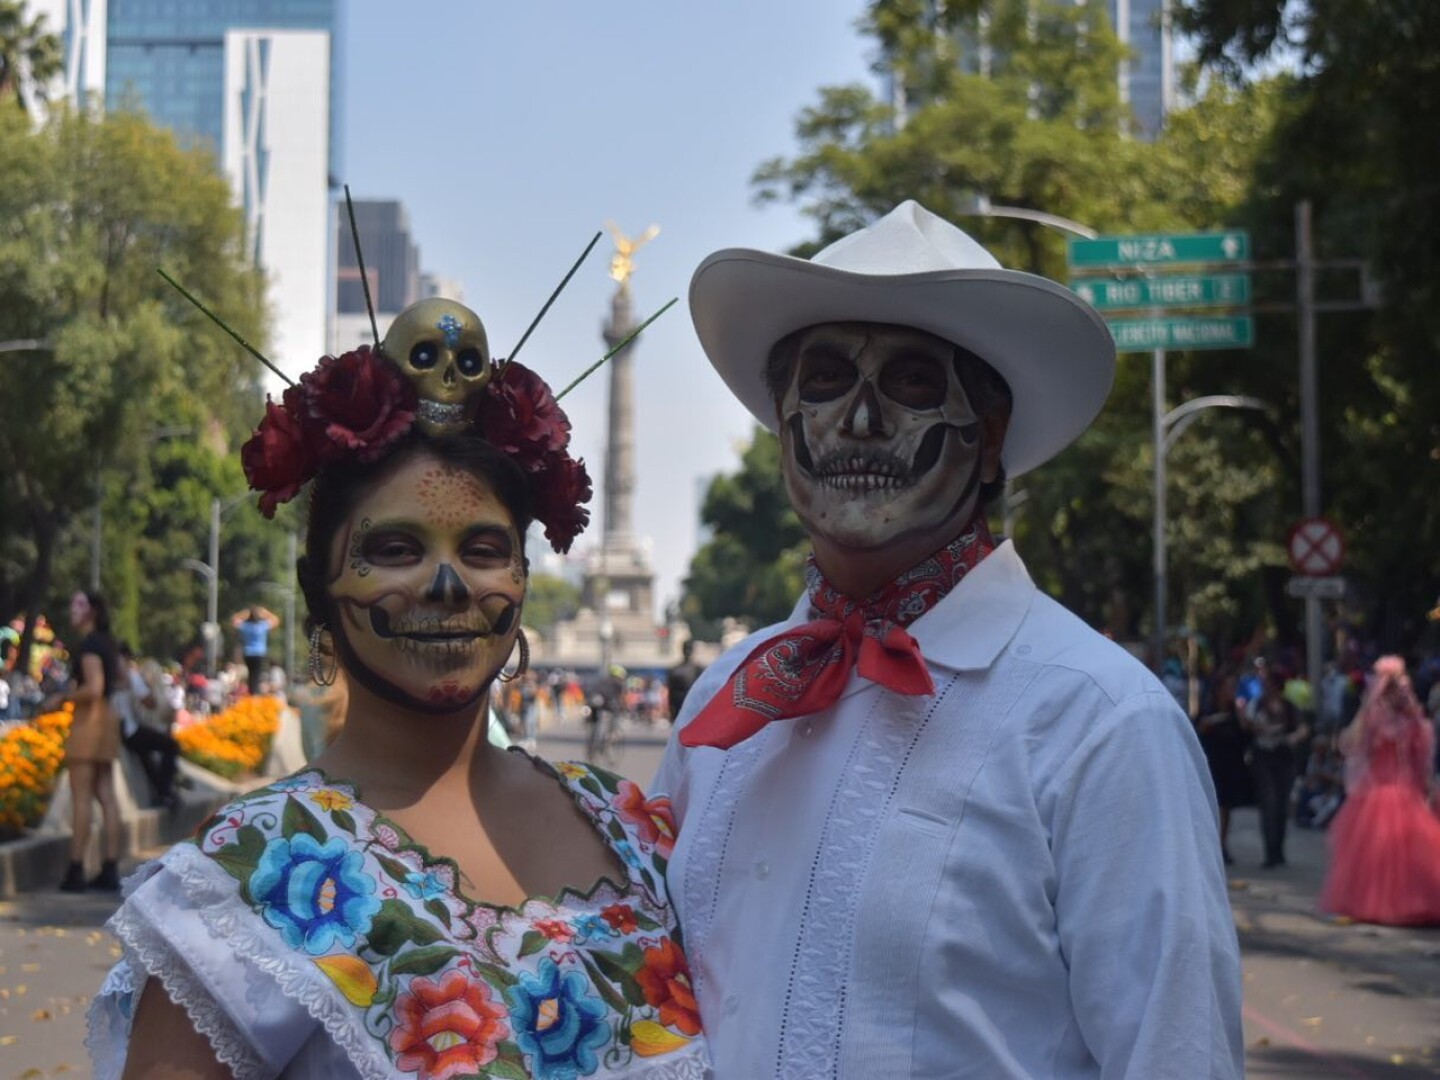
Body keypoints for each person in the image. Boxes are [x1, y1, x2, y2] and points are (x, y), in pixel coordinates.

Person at [654, 201, 1243, 1077]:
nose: (857, 422)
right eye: (822, 381)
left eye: (913, 385)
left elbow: (1176, 1052)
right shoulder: (727, 700)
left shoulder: (1100, 723)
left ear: (992, 438)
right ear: (782, 422)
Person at [89, 298, 707, 1078]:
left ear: (521, 575)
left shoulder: (638, 832)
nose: (446, 584)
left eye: (483, 548)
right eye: (393, 547)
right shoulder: (245, 877)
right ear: (318, 587)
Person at [1319, 656, 1440, 925]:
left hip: (1397, 788)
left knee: (1401, 851)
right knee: (1390, 852)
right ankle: (1395, 904)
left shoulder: (1406, 719)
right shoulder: (1388, 717)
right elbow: (1356, 744)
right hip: (1388, 789)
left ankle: (1406, 903)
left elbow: (1419, 754)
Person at [49, 590, 124, 892]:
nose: (72, 610)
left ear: (91, 611)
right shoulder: (108, 643)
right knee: (106, 794)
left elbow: (94, 687)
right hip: (107, 719)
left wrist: (62, 697)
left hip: (88, 721)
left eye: (77, 605)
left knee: (81, 796)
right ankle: (110, 866)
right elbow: (122, 680)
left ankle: (76, 867)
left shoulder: (90, 645)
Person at [1243, 671, 1309, 868]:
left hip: (1283, 757)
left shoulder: (1289, 707)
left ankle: (1279, 849)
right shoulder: (1257, 704)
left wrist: (1294, 737)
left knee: (1281, 805)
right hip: (1263, 756)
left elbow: (1303, 728)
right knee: (1268, 804)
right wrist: (1256, 726)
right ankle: (1270, 851)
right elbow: (1247, 724)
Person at [113, 643, 181, 810]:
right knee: (171, 746)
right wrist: (147, 687)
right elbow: (150, 703)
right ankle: (164, 792)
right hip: (127, 730)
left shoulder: (106, 674)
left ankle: (162, 792)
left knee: (145, 754)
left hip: (117, 729)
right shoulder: (130, 676)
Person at [1196, 671, 1254, 864]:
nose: (1231, 691)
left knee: (1226, 806)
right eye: (1228, 687)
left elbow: (1245, 737)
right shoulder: (1208, 710)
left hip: (1230, 764)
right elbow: (1198, 736)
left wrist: (1243, 719)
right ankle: (1212, 844)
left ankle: (1222, 844)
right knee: (1214, 805)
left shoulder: (1235, 712)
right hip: (1213, 762)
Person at [231, 604, 281, 695]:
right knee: (257, 674)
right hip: (259, 653)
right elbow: (276, 620)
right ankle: (255, 693)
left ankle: (251, 691)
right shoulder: (262, 626)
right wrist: (265, 613)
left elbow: (234, 619)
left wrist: (245, 613)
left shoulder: (246, 626)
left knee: (251, 674)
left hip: (248, 653)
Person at [665, 639, 704, 722]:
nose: (688, 652)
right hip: (679, 706)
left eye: (690, 649)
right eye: (686, 649)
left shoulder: (699, 670)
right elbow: (671, 693)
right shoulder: (676, 670)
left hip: (694, 707)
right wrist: (672, 711)